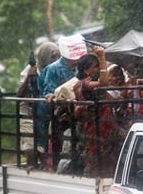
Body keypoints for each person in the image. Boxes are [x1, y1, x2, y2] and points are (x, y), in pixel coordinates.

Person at [37, 33, 87, 169]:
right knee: (60, 147)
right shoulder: (53, 69)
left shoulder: (79, 68)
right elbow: (48, 92)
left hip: (76, 113)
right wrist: (53, 98)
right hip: (58, 116)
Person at [73, 47, 116, 177]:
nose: (98, 69)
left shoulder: (78, 85)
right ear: (86, 70)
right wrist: (102, 58)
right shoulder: (85, 84)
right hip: (98, 131)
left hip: (97, 131)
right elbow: (104, 83)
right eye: (95, 67)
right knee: (100, 165)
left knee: (98, 161)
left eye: (99, 66)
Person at [17, 42, 60, 170]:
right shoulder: (29, 70)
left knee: (45, 145)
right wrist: (29, 78)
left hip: (45, 110)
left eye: (58, 56)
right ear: (43, 56)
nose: (56, 60)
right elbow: (19, 96)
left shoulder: (55, 70)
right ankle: (32, 165)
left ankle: (45, 167)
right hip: (28, 110)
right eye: (52, 56)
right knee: (29, 145)